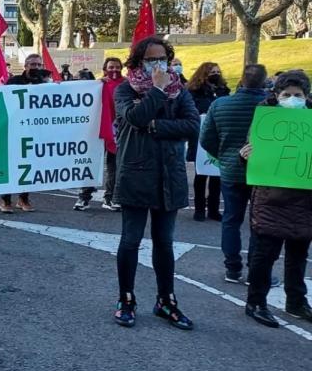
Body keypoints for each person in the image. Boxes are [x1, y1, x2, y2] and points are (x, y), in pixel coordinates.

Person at [111, 37, 198, 330]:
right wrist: (157, 91)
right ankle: (126, 299)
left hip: (169, 176)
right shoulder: (125, 89)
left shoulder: (180, 91)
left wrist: (157, 126)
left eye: (162, 59)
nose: (158, 64)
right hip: (136, 173)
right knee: (130, 241)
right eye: (151, 60)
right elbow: (136, 117)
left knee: (164, 243)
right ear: (138, 62)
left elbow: (192, 125)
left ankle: (166, 300)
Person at [241, 71, 312, 327]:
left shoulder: (309, 122)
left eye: (298, 95)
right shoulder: (266, 120)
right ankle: (256, 301)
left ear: (306, 96)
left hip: (305, 201)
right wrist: (245, 154)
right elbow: (250, 150)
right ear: (276, 96)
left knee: (298, 253)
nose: (292, 99)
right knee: (265, 253)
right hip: (271, 200)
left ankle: (296, 301)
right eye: (287, 95)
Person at [200, 64, 269, 283]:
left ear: (241, 79)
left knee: (231, 220)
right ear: (265, 81)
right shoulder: (271, 109)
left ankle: (232, 267)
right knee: (259, 222)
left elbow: (206, 139)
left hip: (231, 170)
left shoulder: (220, 105)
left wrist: (223, 157)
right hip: (265, 172)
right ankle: (255, 270)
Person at [1, 54, 51, 213]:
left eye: (38, 65)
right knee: (11, 164)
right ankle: (5, 200)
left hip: (33, 131)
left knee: (29, 165)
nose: (36, 67)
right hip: (14, 130)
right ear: (25, 66)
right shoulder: (13, 81)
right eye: (32, 64)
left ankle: (23, 199)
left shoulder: (43, 83)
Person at [74, 57, 124, 212]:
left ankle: (110, 198)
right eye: (111, 67)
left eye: (117, 67)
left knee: (114, 166)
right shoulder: (97, 85)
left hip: (118, 130)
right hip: (97, 129)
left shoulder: (127, 84)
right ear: (104, 68)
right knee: (91, 163)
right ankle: (84, 197)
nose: (114, 70)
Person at [186, 62, 230, 222]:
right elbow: (191, 110)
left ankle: (213, 209)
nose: (216, 74)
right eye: (212, 72)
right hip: (200, 136)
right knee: (201, 173)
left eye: (218, 71)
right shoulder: (193, 92)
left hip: (219, 136)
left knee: (217, 175)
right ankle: (199, 209)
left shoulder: (223, 91)